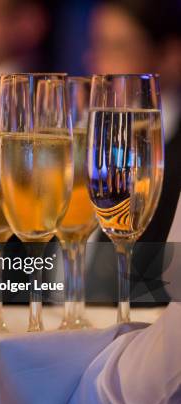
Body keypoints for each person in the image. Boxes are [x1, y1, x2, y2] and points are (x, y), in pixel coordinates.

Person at [85, 0, 181, 300]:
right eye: (97, 45)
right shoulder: (92, 145)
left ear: (169, 55)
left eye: (117, 47)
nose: (96, 61)